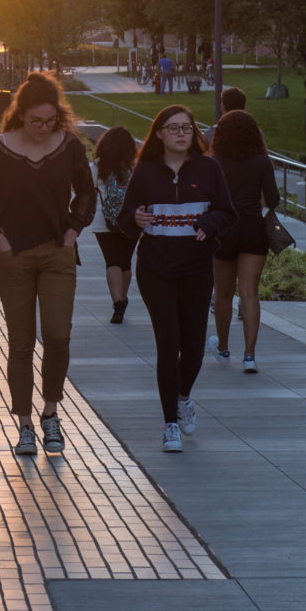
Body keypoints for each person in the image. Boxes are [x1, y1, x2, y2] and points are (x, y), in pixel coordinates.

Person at [0, 71, 96, 457]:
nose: (43, 128)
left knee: (57, 336)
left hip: (58, 254)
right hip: (14, 256)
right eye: (36, 121)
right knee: (21, 343)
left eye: (50, 121)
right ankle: (24, 425)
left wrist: (73, 232)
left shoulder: (69, 147)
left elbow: (87, 192)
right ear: (21, 115)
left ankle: (51, 414)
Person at [116, 104, 236, 454]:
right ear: (159, 134)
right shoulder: (146, 173)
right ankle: (170, 423)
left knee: (194, 345)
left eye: (187, 127)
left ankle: (183, 396)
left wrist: (209, 224)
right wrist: (134, 219)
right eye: (173, 128)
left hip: (197, 268)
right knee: (168, 343)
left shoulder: (208, 169)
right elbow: (125, 219)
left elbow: (227, 212)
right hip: (155, 268)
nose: (182, 133)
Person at [209, 109, 280, 373]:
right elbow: (273, 200)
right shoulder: (262, 161)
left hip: (223, 229)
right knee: (249, 293)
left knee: (223, 293)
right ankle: (250, 355)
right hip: (253, 227)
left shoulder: (214, 161)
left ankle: (224, 348)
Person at [89, 126, 139, 323]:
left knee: (112, 261)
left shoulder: (96, 167)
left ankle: (117, 302)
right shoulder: (135, 167)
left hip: (104, 220)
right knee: (126, 260)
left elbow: (89, 191)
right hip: (131, 220)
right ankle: (123, 298)